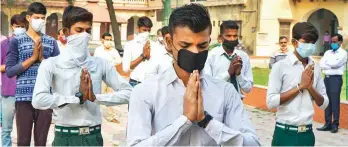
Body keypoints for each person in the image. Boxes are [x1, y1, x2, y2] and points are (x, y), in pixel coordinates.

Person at [127, 4, 260, 146]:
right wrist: (184, 121)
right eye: (185, 45)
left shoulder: (225, 92)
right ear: (169, 42)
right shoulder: (146, 92)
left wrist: (207, 121)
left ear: (209, 42)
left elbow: (253, 143)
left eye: (202, 46)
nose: (195, 52)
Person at [32, 6, 132, 146]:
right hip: (65, 136)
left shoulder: (101, 64)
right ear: (66, 32)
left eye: (88, 31)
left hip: (93, 136)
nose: (85, 35)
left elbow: (129, 93)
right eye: (79, 30)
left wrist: (96, 98)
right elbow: (38, 100)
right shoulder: (51, 64)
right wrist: (76, 98)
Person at [5, 2, 60, 146]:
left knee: (41, 142)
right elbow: (10, 71)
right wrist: (32, 58)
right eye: (37, 17)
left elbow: (59, 70)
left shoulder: (51, 42)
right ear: (28, 18)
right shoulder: (17, 41)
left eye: (43, 18)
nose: (40, 21)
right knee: (23, 141)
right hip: (24, 98)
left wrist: (42, 59)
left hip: (45, 98)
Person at [266, 22, 329, 146]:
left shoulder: (315, 68)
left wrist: (310, 88)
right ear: (294, 42)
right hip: (285, 132)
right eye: (306, 42)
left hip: (307, 134)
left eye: (313, 42)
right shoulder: (280, 67)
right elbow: (271, 102)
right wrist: (300, 87)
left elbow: (324, 104)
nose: (310, 46)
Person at [204, 20, 253, 100]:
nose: (232, 39)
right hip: (217, 102)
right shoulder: (211, 56)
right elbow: (208, 86)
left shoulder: (243, 57)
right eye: (228, 36)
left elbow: (248, 89)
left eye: (235, 36)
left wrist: (239, 74)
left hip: (238, 103)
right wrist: (228, 73)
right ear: (220, 37)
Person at [1, 13, 27, 147]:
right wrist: (17, 66)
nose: (20, 29)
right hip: (8, 91)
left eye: (23, 26)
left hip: (26, 92)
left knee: (24, 130)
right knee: (6, 128)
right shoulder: (4, 44)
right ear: (12, 27)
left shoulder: (30, 44)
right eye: (17, 26)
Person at [317, 34, 347, 133]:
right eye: (332, 41)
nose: (332, 43)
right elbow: (321, 64)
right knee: (327, 101)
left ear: (340, 42)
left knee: (335, 102)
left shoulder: (343, 53)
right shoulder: (327, 52)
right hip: (327, 79)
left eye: (335, 42)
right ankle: (328, 123)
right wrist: (329, 64)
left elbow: (336, 64)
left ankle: (335, 124)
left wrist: (327, 63)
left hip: (336, 79)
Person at [94, 32, 122, 123]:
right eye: (107, 40)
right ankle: (93, 114)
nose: (109, 42)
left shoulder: (113, 51)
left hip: (110, 76)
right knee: (97, 96)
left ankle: (111, 116)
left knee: (110, 97)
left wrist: (109, 64)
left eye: (110, 40)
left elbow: (119, 60)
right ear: (102, 40)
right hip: (100, 76)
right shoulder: (98, 50)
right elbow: (96, 61)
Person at [122, 16, 153, 87]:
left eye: (149, 30)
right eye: (144, 30)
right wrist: (142, 56)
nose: (147, 33)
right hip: (135, 83)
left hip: (151, 84)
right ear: (138, 29)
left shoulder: (154, 45)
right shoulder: (129, 45)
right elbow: (125, 68)